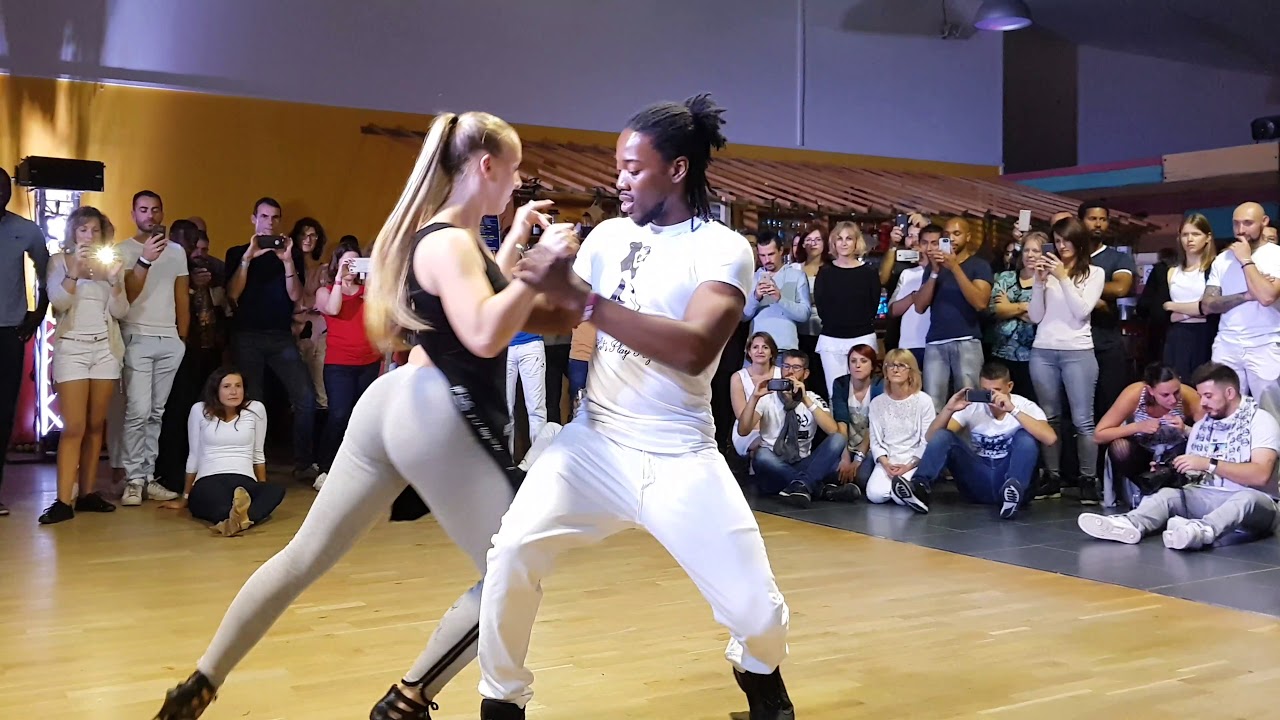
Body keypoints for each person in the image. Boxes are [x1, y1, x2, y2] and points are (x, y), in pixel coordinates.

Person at [152, 110, 578, 720]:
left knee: (304, 556)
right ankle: (409, 698)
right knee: (515, 569)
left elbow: (485, 297)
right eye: (513, 171)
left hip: (394, 401)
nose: (517, 183)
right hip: (429, 410)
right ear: (486, 166)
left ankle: (201, 681)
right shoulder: (451, 243)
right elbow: (485, 332)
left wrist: (515, 249)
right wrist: (539, 267)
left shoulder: (445, 236)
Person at [475, 95, 793, 720]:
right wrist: (512, 280)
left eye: (633, 168)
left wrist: (584, 300)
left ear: (676, 169)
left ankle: (761, 681)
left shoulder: (722, 248)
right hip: (596, 440)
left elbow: (695, 349)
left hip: (679, 450)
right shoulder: (609, 236)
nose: (619, 180)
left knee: (758, 617)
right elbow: (559, 314)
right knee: (511, 551)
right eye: (618, 166)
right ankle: (502, 702)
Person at [1079, 363, 1280, 551]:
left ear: (1229, 393)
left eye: (1208, 396)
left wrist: (1208, 464)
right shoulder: (1203, 425)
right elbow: (1194, 473)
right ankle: (1131, 523)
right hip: (1207, 494)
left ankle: (1202, 530)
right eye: (1201, 396)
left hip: (1256, 503)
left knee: (1246, 498)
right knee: (1167, 495)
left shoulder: (1260, 421)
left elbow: (1260, 475)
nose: (1202, 403)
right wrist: (1169, 470)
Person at [38, 207, 127, 524]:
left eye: (95, 230)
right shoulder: (59, 261)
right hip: (72, 349)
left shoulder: (111, 264)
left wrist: (115, 282)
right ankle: (63, 500)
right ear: (73, 233)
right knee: (73, 426)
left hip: (104, 349)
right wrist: (74, 272)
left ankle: (88, 493)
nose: (89, 236)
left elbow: (120, 311)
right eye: (83, 229)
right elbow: (58, 303)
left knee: (95, 425)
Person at [892, 361, 1056, 519]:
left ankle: (1012, 494)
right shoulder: (973, 406)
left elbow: (1050, 439)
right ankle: (919, 489)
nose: (991, 397)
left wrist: (1012, 410)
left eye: (996, 391)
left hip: (1009, 477)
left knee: (1026, 436)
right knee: (944, 435)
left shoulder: (1025, 406)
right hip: (978, 478)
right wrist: (949, 409)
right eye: (985, 391)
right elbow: (933, 438)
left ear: (1009, 387)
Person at [1027, 217, 1105, 504]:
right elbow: (1035, 316)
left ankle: (1088, 479)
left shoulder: (1094, 273)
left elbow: (1082, 311)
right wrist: (1039, 283)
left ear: (1079, 241)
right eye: (1057, 241)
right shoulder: (1047, 273)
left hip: (1078, 351)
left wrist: (1062, 277)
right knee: (1049, 418)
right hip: (1043, 350)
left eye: (1066, 241)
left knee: (1083, 420)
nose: (1061, 246)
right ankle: (1052, 477)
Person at [158, 367, 285, 535]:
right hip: (209, 480)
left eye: (238, 386)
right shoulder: (199, 409)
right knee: (213, 502)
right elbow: (194, 456)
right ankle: (240, 518)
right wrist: (185, 497)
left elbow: (258, 454)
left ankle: (236, 520)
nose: (234, 392)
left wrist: (260, 488)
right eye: (226, 387)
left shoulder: (255, 409)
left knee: (275, 490)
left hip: (243, 481)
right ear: (215, 390)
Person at [0, 168, 50, 517]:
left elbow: (48, 273)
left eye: (3, 188)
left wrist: (38, 314)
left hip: (9, 332)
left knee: (3, 412)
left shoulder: (26, 229)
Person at [737, 349, 843, 506]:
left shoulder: (812, 398)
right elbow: (743, 430)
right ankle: (817, 488)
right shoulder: (768, 398)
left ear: (805, 373)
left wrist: (805, 399)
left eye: (796, 367)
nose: (790, 371)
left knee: (838, 439)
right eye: (786, 366)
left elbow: (833, 431)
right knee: (761, 455)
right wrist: (754, 397)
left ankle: (800, 485)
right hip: (773, 467)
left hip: (802, 462)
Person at [1200, 202, 1280, 398]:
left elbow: (1267, 297)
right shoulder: (1223, 259)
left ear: (1264, 221)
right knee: (1222, 405)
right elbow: (1207, 305)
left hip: (1266, 343)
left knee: (1269, 407)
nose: (1241, 230)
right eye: (1236, 224)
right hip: (1227, 343)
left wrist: (1246, 260)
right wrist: (1247, 296)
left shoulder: (1276, 255)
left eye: (1248, 223)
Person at [1094, 363, 1202, 508]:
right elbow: (1099, 435)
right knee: (1120, 448)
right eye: (1165, 395)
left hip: (1175, 453)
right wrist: (1137, 427)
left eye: (1176, 392)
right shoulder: (1135, 394)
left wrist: (1185, 428)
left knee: (1184, 457)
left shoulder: (1188, 395)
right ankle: (1147, 484)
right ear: (1151, 390)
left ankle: (1164, 484)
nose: (1172, 400)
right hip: (1143, 452)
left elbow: (1209, 434)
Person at [865, 348, 936, 505]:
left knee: (900, 498)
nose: (895, 369)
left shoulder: (924, 401)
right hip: (888, 461)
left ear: (911, 372)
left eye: (901, 365)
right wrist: (885, 464)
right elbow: (875, 442)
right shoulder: (877, 403)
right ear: (885, 371)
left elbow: (926, 440)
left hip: (913, 460)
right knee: (875, 495)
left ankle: (912, 486)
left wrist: (909, 465)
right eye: (891, 365)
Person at [1157, 214, 1218, 383]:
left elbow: (1211, 308)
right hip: (1177, 337)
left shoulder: (1215, 268)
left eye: (1196, 234)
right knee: (1177, 386)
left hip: (1206, 335)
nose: (1189, 239)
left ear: (1207, 237)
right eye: (1185, 234)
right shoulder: (1172, 272)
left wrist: (1175, 307)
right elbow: (1163, 310)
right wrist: (1197, 310)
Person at [828, 343, 883, 500]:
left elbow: (874, 426)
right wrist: (845, 456)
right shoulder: (841, 384)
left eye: (863, 361)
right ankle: (844, 488)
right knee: (832, 471)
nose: (857, 365)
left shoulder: (880, 386)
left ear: (872, 366)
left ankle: (850, 486)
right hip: (847, 445)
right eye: (853, 361)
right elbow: (841, 421)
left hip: (870, 448)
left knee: (862, 476)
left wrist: (858, 458)